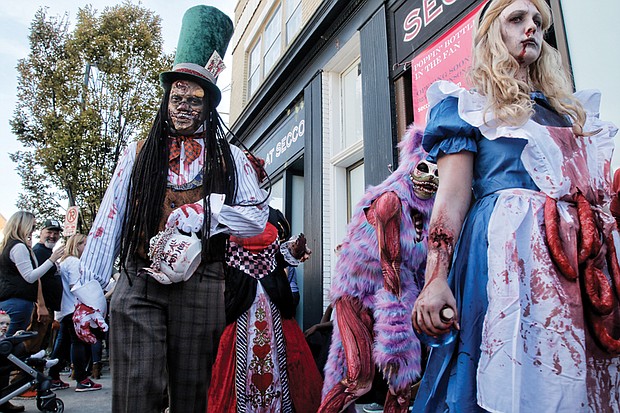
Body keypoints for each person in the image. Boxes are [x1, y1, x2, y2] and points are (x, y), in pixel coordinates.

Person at [411, 1, 619, 412]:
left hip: (576, 268)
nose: (531, 29)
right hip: (505, 264)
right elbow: (451, 198)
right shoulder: (467, 106)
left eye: (538, 22)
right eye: (517, 19)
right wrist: (436, 278)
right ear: (493, 34)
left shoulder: (569, 112)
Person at [70, 6, 268, 413]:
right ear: (166, 99)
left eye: (195, 100)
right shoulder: (138, 153)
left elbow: (255, 217)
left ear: (209, 106)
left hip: (202, 284)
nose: (183, 106)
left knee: (193, 392)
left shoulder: (230, 156)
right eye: (176, 97)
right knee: (137, 389)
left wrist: (208, 212)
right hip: (139, 278)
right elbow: (111, 219)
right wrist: (89, 289)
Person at [207, 205, 321, 413]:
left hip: (274, 297)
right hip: (237, 299)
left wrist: (293, 251)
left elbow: (277, 258)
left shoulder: (274, 216)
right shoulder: (221, 211)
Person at [48, 233, 101, 392]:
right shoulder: (75, 262)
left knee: (62, 345)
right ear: (77, 245)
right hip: (75, 309)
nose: (87, 248)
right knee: (78, 343)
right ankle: (82, 379)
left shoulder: (64, 262)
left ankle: (53, 377)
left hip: (65, 309)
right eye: (84, 244)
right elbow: (75, 286)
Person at [0, 212, 64, 338]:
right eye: (32, 227)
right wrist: (52, 259)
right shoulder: (18, 246)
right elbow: (30, 277)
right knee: (10, 343)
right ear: (23, 225)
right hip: (18, 302)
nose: (32, 231)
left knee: (8, 342)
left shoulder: (9, 246)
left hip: (13, 301)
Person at [26, 219, 64, 354]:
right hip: (40, 309)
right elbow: (35, 279)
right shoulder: (39, 252)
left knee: (41, 345)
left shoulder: (49, 253)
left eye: (56, 233)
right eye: (49, 232)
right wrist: (40, 306)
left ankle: (36, 371)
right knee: (33, 344)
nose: (52, 236)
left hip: (48, 308)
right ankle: (25, 373)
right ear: (41, 232)